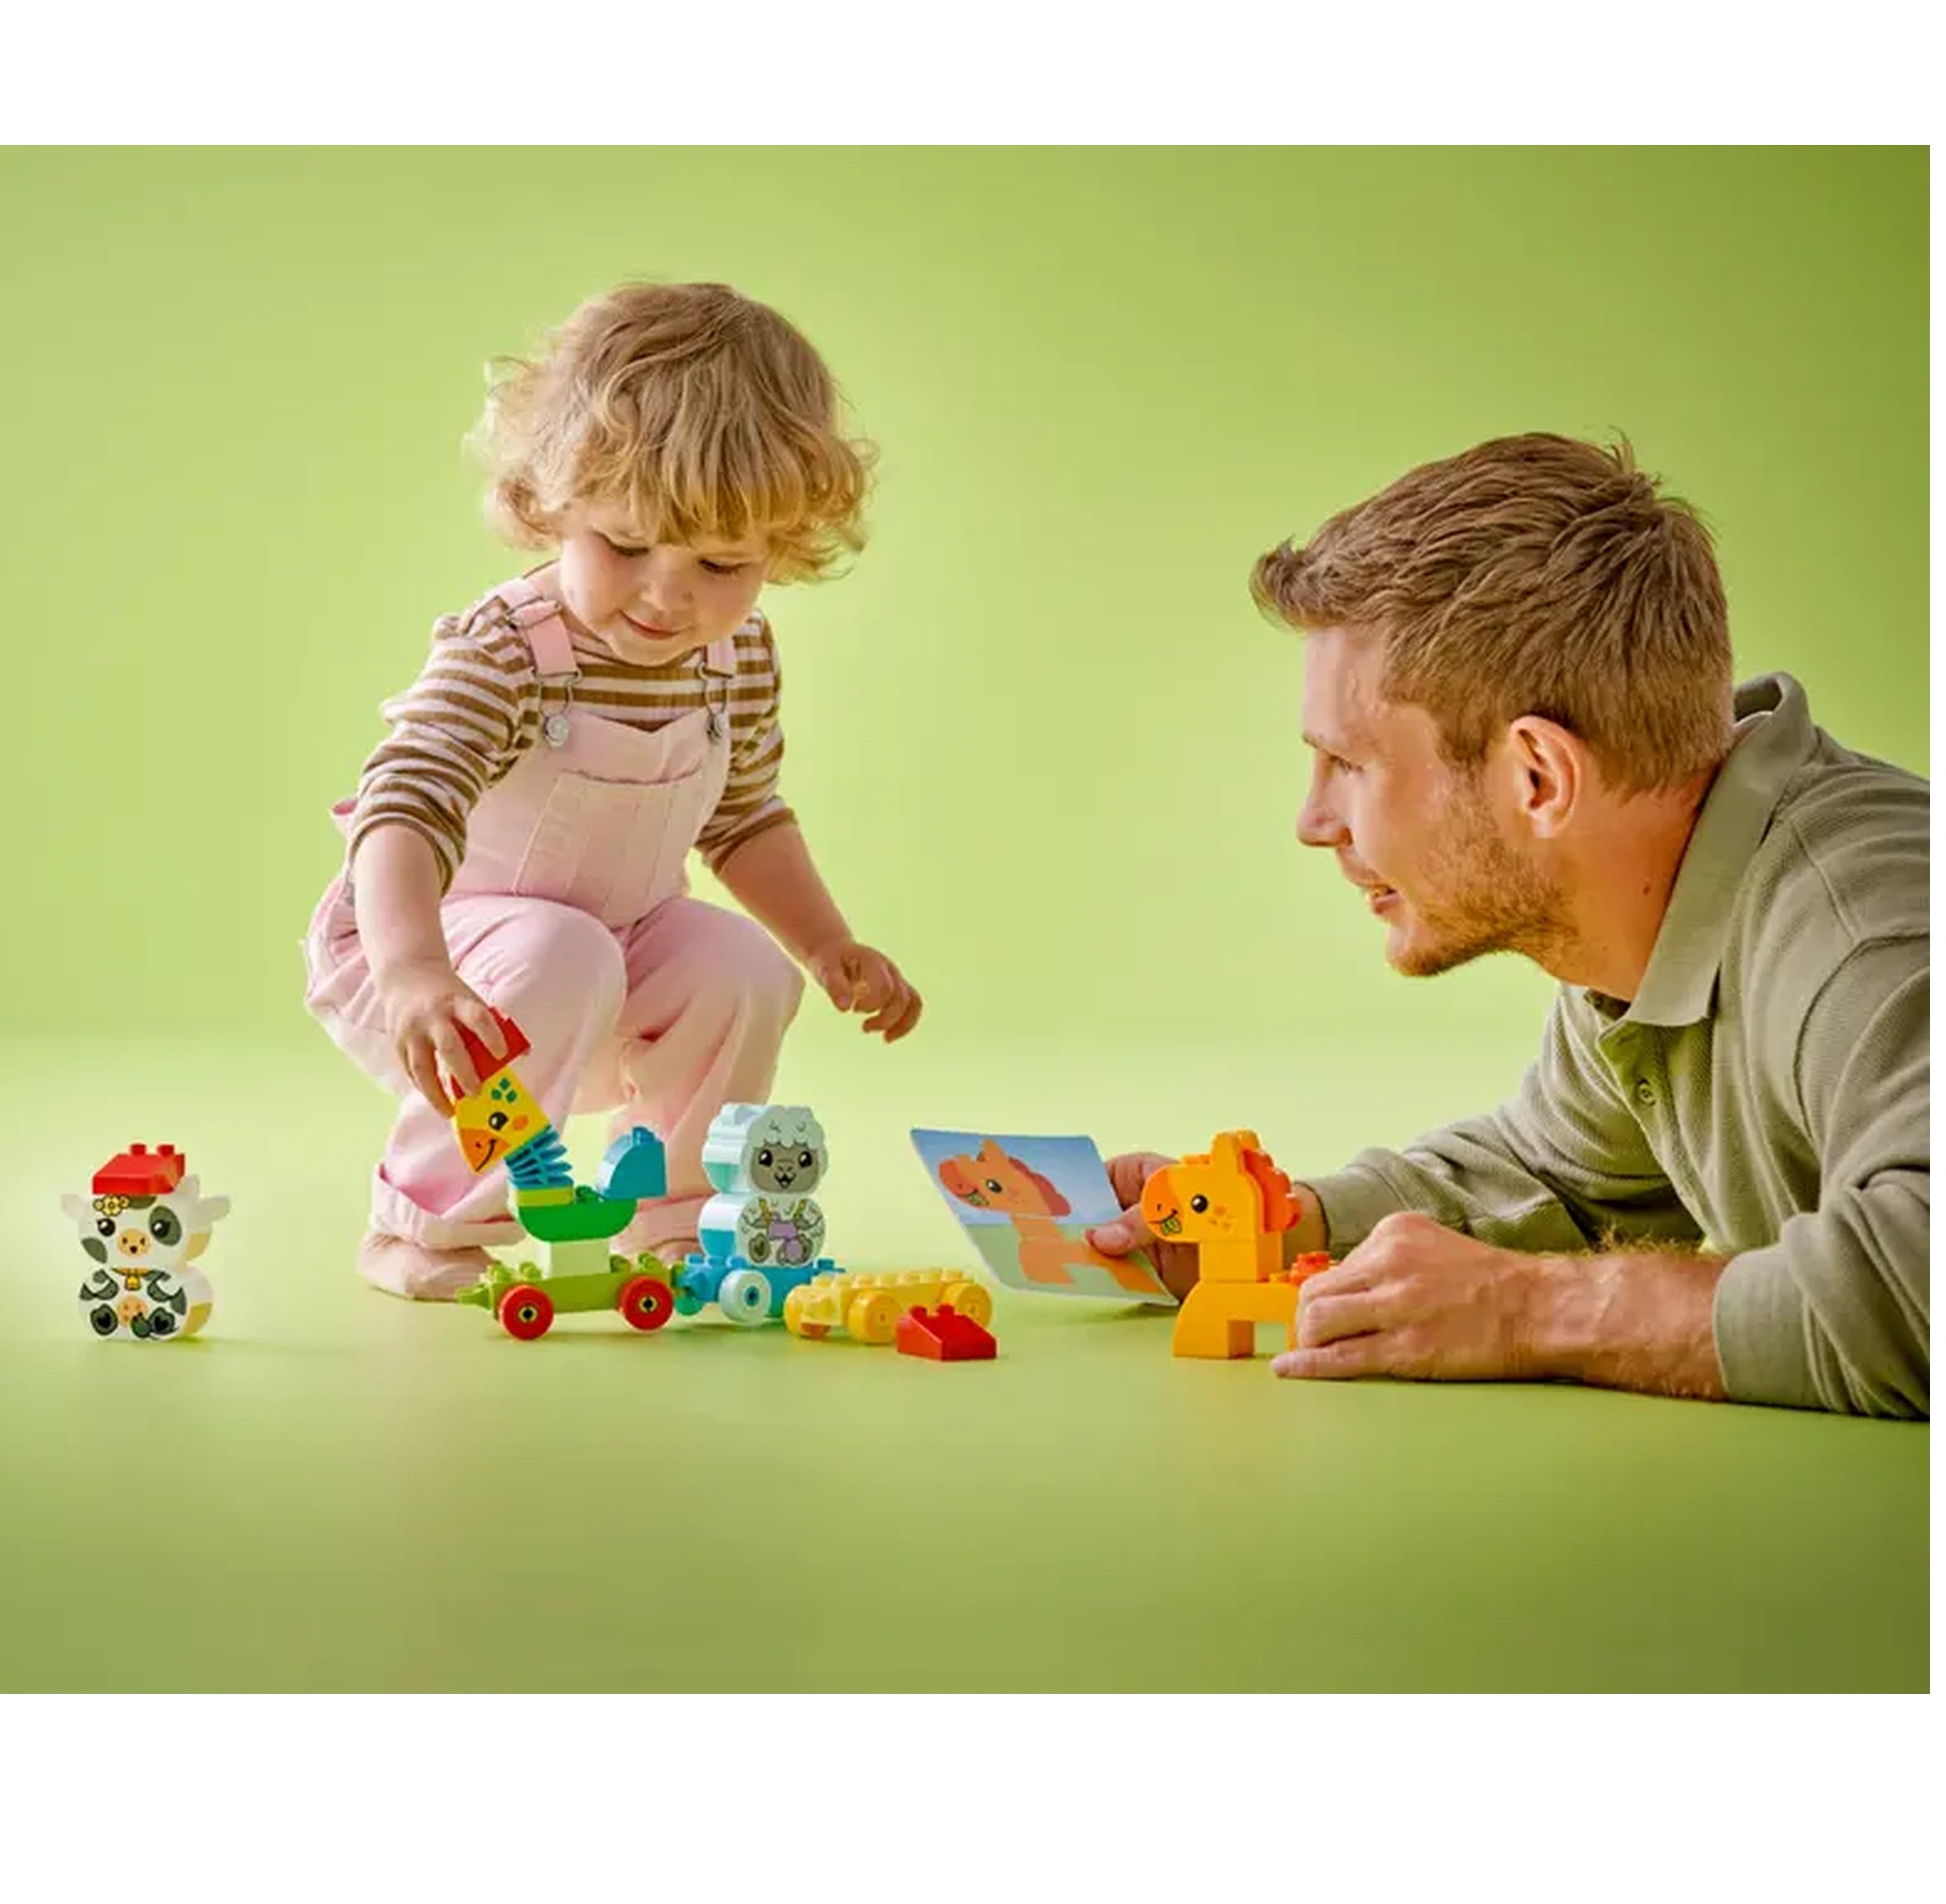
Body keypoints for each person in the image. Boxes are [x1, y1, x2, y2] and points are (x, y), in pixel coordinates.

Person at [1088, 434, 1927, 1419]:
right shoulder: (1655, 909)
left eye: (1348, 764)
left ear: (1538, 777)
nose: (1313, 823)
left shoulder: (1861, 936)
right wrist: (1275, 1228)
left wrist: (1535, 1311)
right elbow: (1559, 1178)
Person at [304, 282, 921, 1300]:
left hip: (610, 963)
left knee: (745, 969)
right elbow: (402, 806)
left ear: (782, 544)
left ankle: (678, 1218)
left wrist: (826, 942)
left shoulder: (735, 656)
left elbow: (745, 815)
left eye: (722, 562)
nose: (668, 595)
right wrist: (415, 969)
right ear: (553, 504)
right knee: (561, 949)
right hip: (447, 970)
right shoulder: (508, 650)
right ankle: (421, 1216)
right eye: (625, 546)